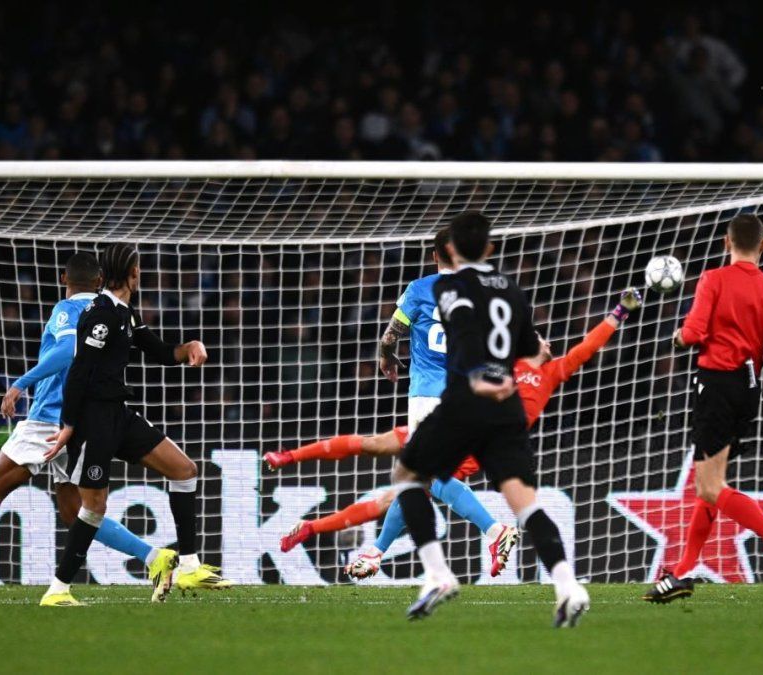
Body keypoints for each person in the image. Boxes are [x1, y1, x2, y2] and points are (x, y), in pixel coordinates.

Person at [267, 287, 640, 582]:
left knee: (407, 478)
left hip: (482, 438)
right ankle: (329, 522)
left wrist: (618, 313)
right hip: (463, 418)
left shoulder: (552, 371)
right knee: (392, 467)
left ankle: (487, 532)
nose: (540, 339)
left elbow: (587, 347)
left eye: (542, 339)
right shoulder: (504, 361)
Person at [0, 253, 175, 604]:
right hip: (83, 420)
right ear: (99, 281)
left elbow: (67, 349)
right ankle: (155, 558)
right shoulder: (110, 311)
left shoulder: (67, 310)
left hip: (48, 418)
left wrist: (21, 382)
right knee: (73, 511)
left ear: (64, 277)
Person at [270, 230, 517, 575]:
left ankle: (495, 530)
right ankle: (375, 551)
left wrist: (386, 358)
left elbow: (391, 335)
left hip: (430, 395)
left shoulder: (419, 289)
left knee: (428, 474)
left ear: (435, 256)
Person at [387, 211, 589, 627]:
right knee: (524, 502)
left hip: (463, 400)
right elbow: (533, 349)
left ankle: (438, 574)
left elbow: (462, 329)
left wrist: (477, 375)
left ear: (448, 250)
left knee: (409, 476)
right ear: (491, 248)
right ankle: (568, 585)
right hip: (507, 406)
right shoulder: (512, 290)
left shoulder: (445, 287)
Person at [39, 244, 230, 607]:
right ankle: (57, 590)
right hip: (94, 420)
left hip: (118, 414)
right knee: (93, 507)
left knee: (184, 470)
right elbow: (79, 371)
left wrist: (188, 347)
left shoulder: (124, 313)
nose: (141, 274)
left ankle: (189, 564)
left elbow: (158, 351)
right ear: (132, 273)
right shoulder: (101, 314)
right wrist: (69, 425)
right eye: (139, 269)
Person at [643, 214, 763, 604]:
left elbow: (695, 333)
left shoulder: (713, 279)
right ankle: (683, 572)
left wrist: (679, 337)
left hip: (715, 385)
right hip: (749, 390)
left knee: (710, 486)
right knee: (709, 486)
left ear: (725, 243)